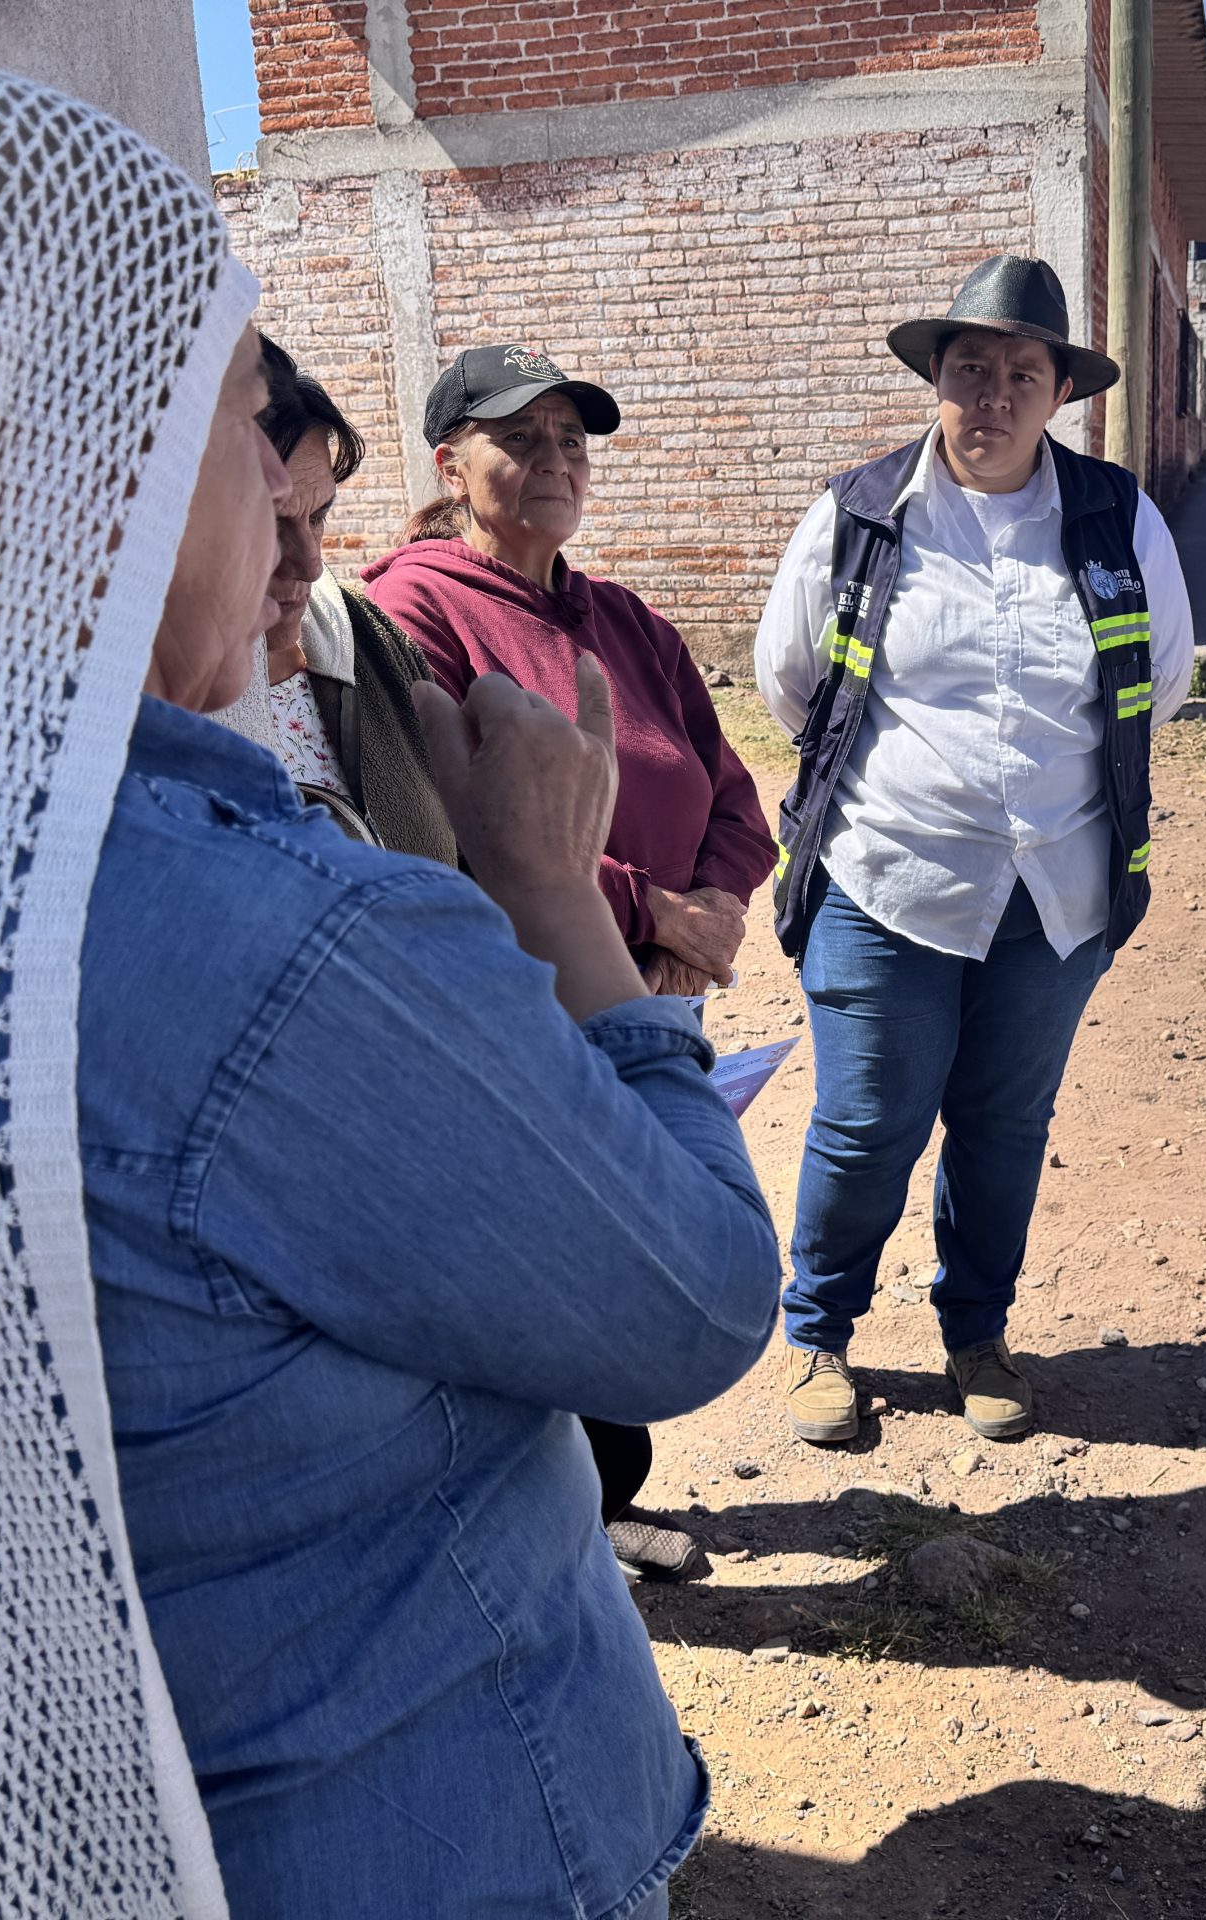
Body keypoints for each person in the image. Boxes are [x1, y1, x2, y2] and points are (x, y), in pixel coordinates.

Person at [0, 60, 775, 1920]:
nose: (276, 496)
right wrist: (550, 888)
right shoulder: (271, 948)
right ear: (85, 458)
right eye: (241, 419)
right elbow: (690, 1300)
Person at [217, 337, 708, 1584]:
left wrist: (708, 902)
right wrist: (620, 916)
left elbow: (703, 775)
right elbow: (502, 842)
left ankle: (581, 1514)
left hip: (511, 1048)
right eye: (262, 516)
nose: (297, 565)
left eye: (319, 518)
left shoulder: (357, 650)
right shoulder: (411, 615)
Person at [753, 255, 1194, 1447]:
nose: (991, 396)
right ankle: (818, 1333)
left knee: (1005, 1126)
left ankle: (976, 1333)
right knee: (866, 1123)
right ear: (933, 383)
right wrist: (920, 791)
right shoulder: (860, 512)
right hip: (885, 874)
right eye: (968, 372)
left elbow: (1157, 679)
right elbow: (792, 684)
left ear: (1057, 391)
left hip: (1053, 890)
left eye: (1020, 373)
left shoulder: (1116, 516)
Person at [363, 343, 776, 1000]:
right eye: (519, 438)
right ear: (452, 470)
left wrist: (708, 916)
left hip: (670, 985)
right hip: (532, 997)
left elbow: (737, 806)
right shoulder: (414, 607)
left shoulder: (628, 619)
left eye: (572, 441)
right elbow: (451, 829)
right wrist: (656, 917)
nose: (554, 460)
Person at [209, 335, 459, 859]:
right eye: (269, 524)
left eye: (318, 516)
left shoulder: (373, 642)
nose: (309, 563)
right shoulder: (153, 706)